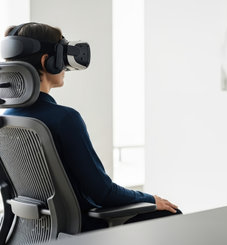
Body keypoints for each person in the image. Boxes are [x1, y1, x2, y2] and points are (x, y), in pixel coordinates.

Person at [2, 22, 181, 231]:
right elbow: (103, 193)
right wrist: (151, 199)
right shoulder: (64, 119)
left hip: (32, 232)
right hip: (81, 230)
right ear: (47, 61)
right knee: (171, 214)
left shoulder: (7, 119)